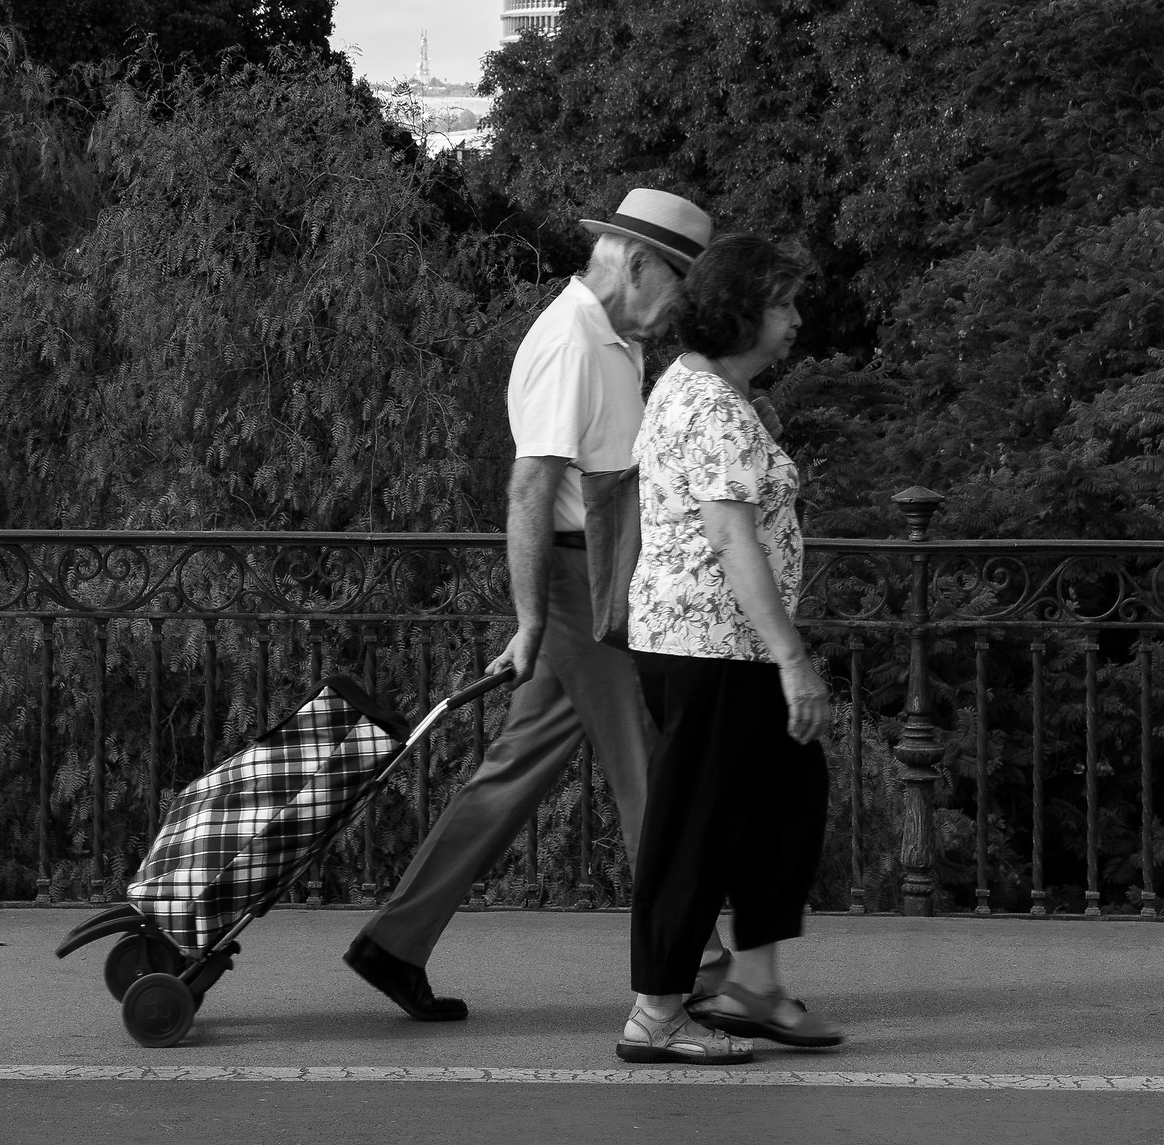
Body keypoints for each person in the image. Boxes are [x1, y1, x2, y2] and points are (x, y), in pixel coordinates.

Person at [344, 186, 713, 1022]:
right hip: (580, 587)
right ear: (638, 262)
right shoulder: (574, 344)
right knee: (646, 775)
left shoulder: (610, 340)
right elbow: (528, 488)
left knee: (512, 773)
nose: (681, 308)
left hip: (598, 579)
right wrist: (535, 619)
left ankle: (394, 942)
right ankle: (701, 970)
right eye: (679, 284)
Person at [617, 232, 840, 1065]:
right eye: (781, 304)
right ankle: (656, 1012)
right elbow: (730, 538)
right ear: (741, 311)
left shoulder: (703, 390)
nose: (794, 322)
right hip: (713, 648)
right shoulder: (710, 406)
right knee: (698, 829)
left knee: (786, 801)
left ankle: (753, 984)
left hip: (716, 645)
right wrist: (792, 658)